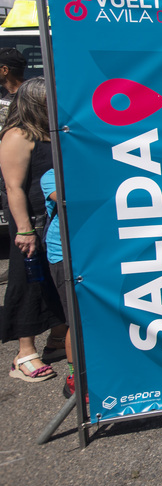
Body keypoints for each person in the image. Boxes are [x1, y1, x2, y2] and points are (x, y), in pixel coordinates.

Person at [0, 78, 66, 382]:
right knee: (28, 283)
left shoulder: (50, 133)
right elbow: (13, 187)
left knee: (56, 280)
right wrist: (24, 229)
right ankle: (24, 353)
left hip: (53, 218)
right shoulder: (17, 135)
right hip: (31, 221)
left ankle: (56, 341)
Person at [40, 168, 76, 396]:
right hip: (64, 254)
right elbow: (65, 198)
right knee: (77, 319)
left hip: (98, 251)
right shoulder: (53, 174)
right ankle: (76, 377)